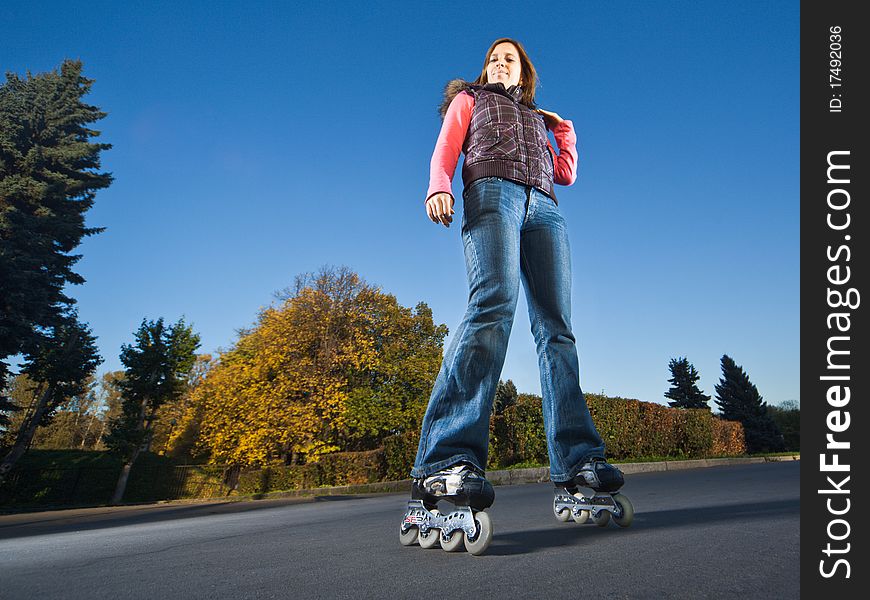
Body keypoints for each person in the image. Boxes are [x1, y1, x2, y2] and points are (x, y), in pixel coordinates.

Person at [401, 38, 625, 552]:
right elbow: (446, 147)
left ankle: (576, 463)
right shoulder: (471, 101)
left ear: (524, 72)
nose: (501, 63)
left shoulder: (538, 119)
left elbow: (566, 173)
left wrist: (562, 127)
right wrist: (440, 185)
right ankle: (445, 460)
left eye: (511, 59)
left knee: (557, 331)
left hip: (544, 207)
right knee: (491, 307)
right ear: (486, 69)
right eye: (494, 58)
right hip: (491, 193)